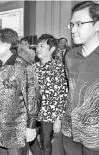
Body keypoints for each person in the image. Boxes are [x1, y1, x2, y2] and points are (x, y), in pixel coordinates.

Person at [61, 1, 99, 155]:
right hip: (69, 130)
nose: (73, 30)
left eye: (79, 24)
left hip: (95, 136)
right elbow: (70, 89)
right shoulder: (69, 55)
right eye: (71, 25)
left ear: (97, 25)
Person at [31, 34, 68, 155]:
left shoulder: (58, 67)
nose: (38, 49)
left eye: (42, 46)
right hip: (33, 113)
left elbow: (62, 95)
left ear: (52, 49)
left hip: (49, 114)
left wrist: (58, 119)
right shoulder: (32, 67)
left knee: (46, 145)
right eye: (37, 46)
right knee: (29, 139)